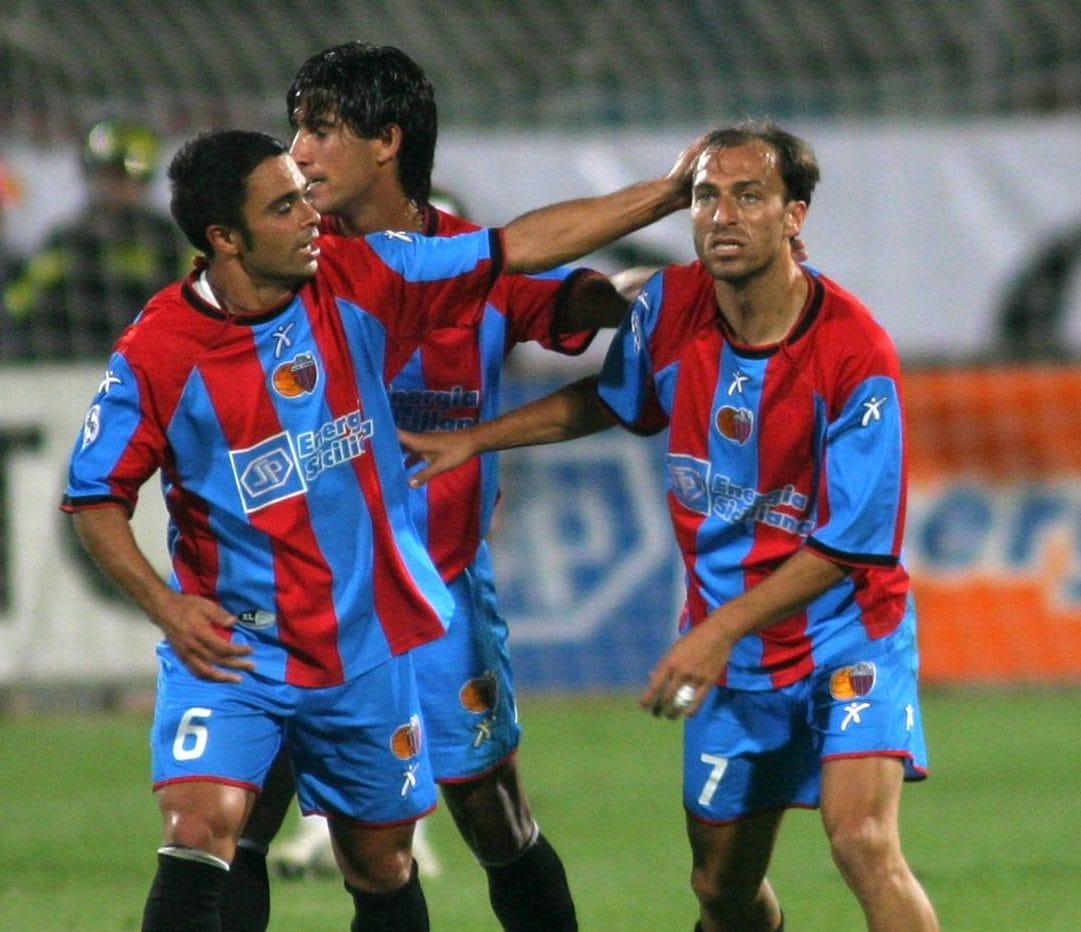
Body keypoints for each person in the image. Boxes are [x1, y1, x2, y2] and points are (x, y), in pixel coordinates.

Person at [61, 127, 695, 931]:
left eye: (304, 193)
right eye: (285, 205)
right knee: (203, 830)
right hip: (238, 644)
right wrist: (166, 605)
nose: (311, 217)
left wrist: (670, 193)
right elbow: (93, 495)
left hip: (366, 644)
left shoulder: (364, 276)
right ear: (225, 238)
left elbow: (517, 246)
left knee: (383, 862)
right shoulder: (159, 350)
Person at [402, 121, 939, 931]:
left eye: (749, 196)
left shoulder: (855, 354)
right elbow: (611, 399)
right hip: (732, 650)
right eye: (705, 196)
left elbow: (846, 547)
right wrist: (479, 437)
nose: (722, 216)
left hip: (844, 632)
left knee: (863, 841)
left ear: (794, 215)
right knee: (720, 890)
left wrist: (712, 633)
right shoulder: (672, 308)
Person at [220, 41, 632, 931]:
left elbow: (583, 294)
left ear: (387, 142)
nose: (297, 150)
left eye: (320, 129)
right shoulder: (283, 262)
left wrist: (655, 299)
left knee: (494, 820)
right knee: (238, 823)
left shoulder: (470, 263)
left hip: (436, 592)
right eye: (297, 128)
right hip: (301, 594)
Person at [4, 117, 192, 359]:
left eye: (123, 176)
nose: (114, 186)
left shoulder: (168, 242)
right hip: (67, 363)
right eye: (105, 174)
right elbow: (18, 304)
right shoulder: (68, 240)